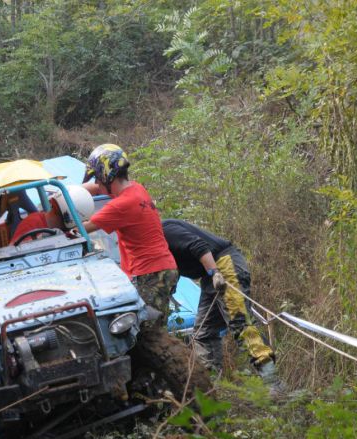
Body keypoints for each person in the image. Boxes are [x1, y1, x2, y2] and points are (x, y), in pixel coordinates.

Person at [160, 218, 281, 389]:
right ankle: (211, 387)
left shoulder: (164, 230)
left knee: (239, 322)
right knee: (203, 333)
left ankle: (273, 383)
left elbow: (198, 246)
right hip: (208, 277)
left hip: (223, 265)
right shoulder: (153, 247)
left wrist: (215, 272)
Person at [79, 144, 178, 323]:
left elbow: (82, 228)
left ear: (105, 176)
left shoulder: (121, 205)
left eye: (97, 179)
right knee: (148, 328)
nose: (96, 185)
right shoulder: (136, 190)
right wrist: (74, 191)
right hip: (162, 268)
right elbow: (97, 189)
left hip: (151, 272)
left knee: (145, 332)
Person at [9, 185, 94, 245]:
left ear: (53, 202)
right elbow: (12, 251)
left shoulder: (66, 233)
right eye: (80, 222)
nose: (80, 225)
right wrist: (42, 240)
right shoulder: (33, 222)